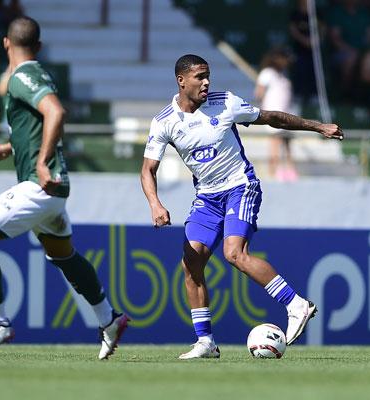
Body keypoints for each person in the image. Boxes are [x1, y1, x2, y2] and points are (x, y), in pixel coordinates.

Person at [140, 54, 343, 359]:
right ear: (181, 81)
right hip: (207, 198)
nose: (207, 82)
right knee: (190, 261)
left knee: (234, 253)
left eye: (208, 75)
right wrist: (155, 203)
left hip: (240, 187)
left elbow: (273, 118)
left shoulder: (226, 103)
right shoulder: (165, 121)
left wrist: (318, 127)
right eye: (199, 77)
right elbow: (147, 170)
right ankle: (205, 342)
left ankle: (296, 304)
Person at [0, 16, 128, 359]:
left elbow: (56, 112)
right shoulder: (35, 74)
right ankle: (108, 319)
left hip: (39, 185)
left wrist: (40, 162)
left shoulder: (21, 76)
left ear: (6, 43)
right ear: (37, 46)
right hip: (54, 189)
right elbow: (37, 127)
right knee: (63, 256)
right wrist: (7, 148)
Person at [255, 48, 297, 181]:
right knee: (275, 141)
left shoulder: (283, 74)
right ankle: (273, 172)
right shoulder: (267, 73)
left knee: (287, 142)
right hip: (273, 114)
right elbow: (259, 93)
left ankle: (290, 170)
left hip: (287, 114)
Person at [288, 0, 320, 103]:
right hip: (299, 50)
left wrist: (315, 41)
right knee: (300, 70)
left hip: (314, 51)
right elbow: (293, 30)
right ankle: (298, 95)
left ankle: (314, 96)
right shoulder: (296, 14)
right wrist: (306, 41)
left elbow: (322, 29)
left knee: (314, 72)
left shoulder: (316, 13)